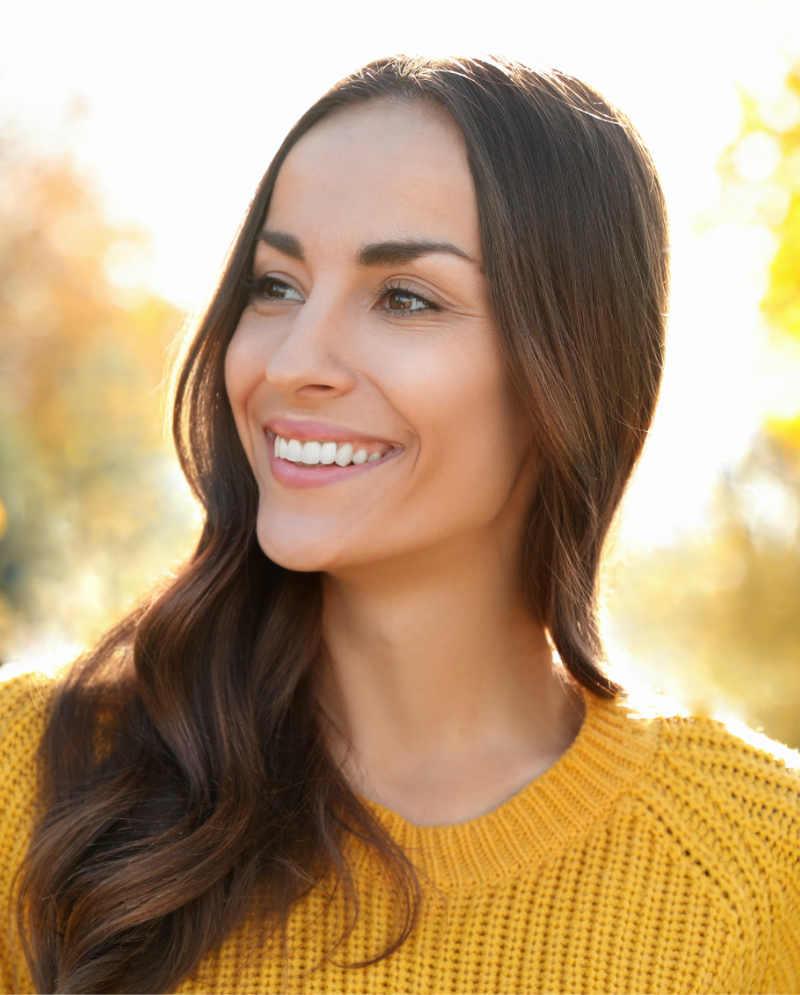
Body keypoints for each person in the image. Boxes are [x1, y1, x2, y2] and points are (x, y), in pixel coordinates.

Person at [1, 54, 798, 995]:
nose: (292, 361)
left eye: (405, 298)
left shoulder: (760, 865)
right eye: (276, 285)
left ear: (574, 366)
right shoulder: (32, 781)